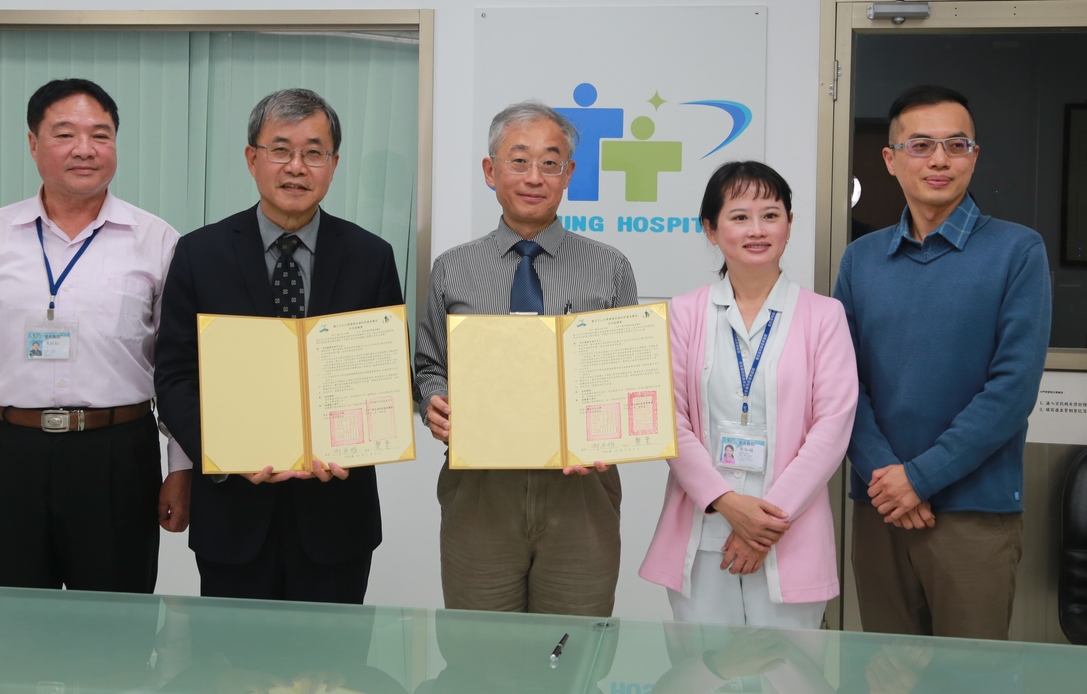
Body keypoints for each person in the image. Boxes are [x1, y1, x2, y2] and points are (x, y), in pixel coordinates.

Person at [0, 78, 191, 593]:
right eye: (65, 134)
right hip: (10, 454)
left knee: (116, 631)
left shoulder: (156, 240)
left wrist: (181, 467)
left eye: (102, 135)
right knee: (9, 629)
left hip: (117, 456)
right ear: (33, 143)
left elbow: (177, 367)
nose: (85, 150)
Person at [155, 88, 404, 603]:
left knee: (333, 676)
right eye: (280, 149)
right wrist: (225, 453)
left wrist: (358, 445)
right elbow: (176, 376)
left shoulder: (371, 257)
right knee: (232, 675)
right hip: (233, 514)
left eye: (314, 152)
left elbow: (388, 374)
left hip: (337, 515)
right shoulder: (200, 254)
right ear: (252, 159)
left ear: (333, 164)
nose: (297, 167)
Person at [833, 84, 1052, 639]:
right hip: (881, 507)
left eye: (956, 145)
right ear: (890, 158)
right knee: (886, 675)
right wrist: (889, 478)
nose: (939, 159)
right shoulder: (861, 259)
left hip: (974, 511)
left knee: (968, 677)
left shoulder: (1017, 251)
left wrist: (921, 478)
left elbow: (1012, 390)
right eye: (921, 144)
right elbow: (841, 382)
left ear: (974, 156)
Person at [414, 100, 638, 617]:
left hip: (581, 491)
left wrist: (616, 431)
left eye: (550, 162)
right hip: (480, 488)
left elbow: (626, 376)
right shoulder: (452, 269)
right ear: (490, 171)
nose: (534, 176)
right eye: (519, 161)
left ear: (569, 174)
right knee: (482, 651)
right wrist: (434, 400)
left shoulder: (610, 268)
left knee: (574, 651)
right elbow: (428, 364)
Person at [640, 160, 857, 628]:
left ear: (790, 224)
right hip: (703, 528)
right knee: (700, 671)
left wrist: (763, 526)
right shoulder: (683, 313)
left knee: (789, 674)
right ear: (711, 230)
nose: (756, 230)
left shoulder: (825, 315)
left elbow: (833, 426)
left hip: (789, 530)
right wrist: (726, 502)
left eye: (771, 214)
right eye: (739, 217)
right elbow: (668, 418)